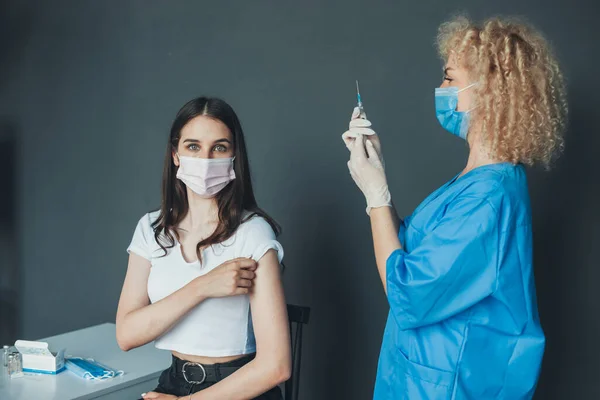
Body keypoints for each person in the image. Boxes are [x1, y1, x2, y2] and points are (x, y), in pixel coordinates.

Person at [343, 16, 567, 399]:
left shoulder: (488, 199)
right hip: (418, 376)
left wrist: (375, 197)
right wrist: (378, 182)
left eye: (449, 78)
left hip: (449, 385)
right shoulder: (476, 183)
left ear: (490, 90)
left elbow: (408, 293)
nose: (440, 88)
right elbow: (409, 251)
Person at [116, 97, 290, 400]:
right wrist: (202, 286)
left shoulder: (252, 233)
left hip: (238, 389)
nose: (206, 159)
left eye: (219, 147)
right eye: (193, 146)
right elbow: (127, 334)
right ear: (175, 154)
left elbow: (276, 366)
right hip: (172, 382)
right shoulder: (151, 228)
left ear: (234, 155)